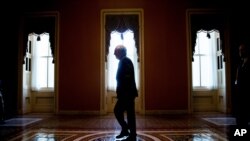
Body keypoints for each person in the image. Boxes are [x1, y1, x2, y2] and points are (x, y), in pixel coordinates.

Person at [113, 45, 138, 141]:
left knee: (117, 111)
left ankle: (127, 130)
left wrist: (123, 93)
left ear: (121, 52)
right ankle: (129, 133)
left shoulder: (125, 60)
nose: (114, 53)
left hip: (127, 94)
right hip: (127, 93)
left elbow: (127, 77)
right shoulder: (123, 60)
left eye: (116, 51)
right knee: (129, 114)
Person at [234, 42, 250, 127]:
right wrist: (236, 84)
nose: (240, 52)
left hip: (247, 91)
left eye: (242, 50)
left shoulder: (249, 62)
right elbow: (237, 77)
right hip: (240, 91)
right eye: (239, 50)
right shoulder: (240, 63)